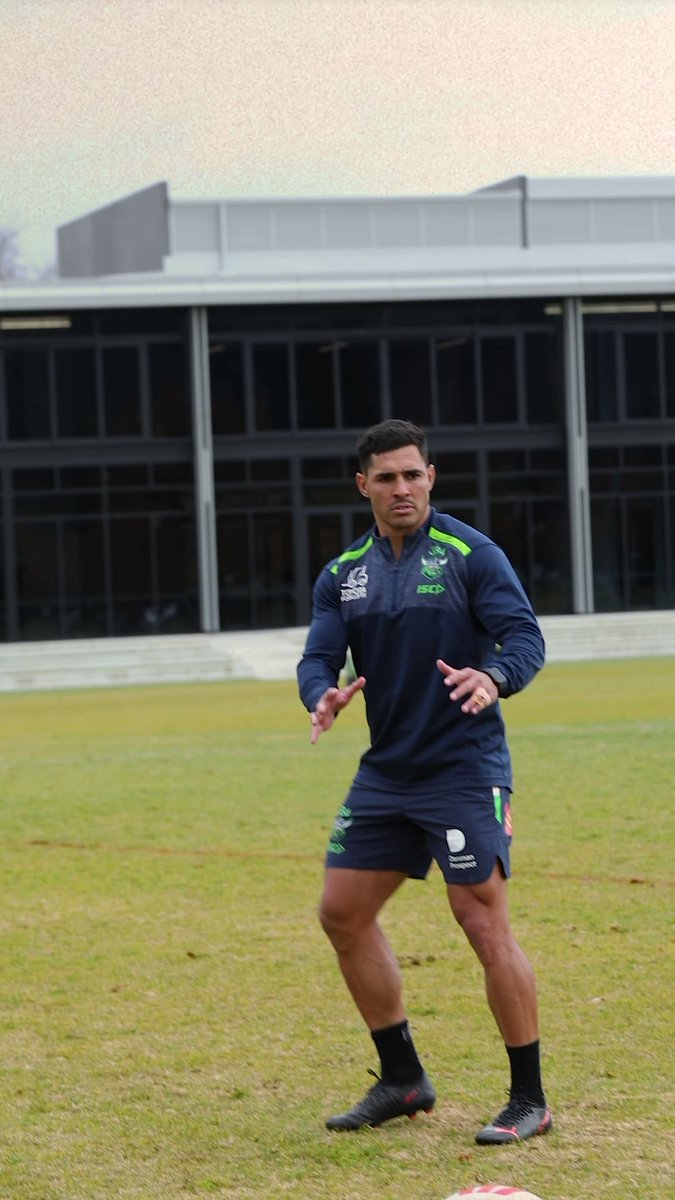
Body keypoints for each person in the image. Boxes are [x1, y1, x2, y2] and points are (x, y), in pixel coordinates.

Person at [297, 418, 552, 1145]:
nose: (401, 488)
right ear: (363, 486)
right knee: (341, 912)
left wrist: (492, 676)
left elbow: (524, 638)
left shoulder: (472, 554)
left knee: (479, 919)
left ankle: (528, 1098)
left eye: (412, 474)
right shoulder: (343, 573)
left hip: (463, 768)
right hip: (387, 771)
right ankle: (402, 1078)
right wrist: (321, 692)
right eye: (386, 477)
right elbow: (318, 657)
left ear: (430, 477)